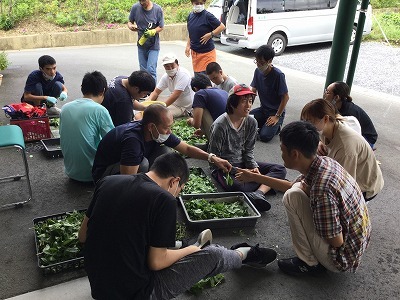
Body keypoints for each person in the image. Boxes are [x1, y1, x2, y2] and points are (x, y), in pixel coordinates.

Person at [79, 152, 277, 299]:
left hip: (98, 286)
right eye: (179, 190)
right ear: (174, 181)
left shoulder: (108, 182)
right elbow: (156, 262)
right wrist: (193, 249)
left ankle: (185, 245)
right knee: (213, 254)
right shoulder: (163, 199)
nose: (177, 194)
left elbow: (83, 236)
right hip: (136, 293)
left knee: (156, 240)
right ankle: (244, 254)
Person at [235, 121, 371, 276]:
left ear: (294, 154)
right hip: (357, 241)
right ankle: (312, 255)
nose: (281, 154)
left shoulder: (322, 190)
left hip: (341, 258)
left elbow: (337, 241)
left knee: (292, 197)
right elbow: (292, 185)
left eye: (282, 149)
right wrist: (253, 176)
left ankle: (309, 264)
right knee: (296, 190)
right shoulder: (324, 162)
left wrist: (318, 219)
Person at [92, 104, 231, 184]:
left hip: (127, 165)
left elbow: (187, 149)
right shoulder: (132, 140)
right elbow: (126, 180)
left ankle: (150, 182)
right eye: (166, 127)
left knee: (165, 152)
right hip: (105, 175)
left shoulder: (157, 132)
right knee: (143, 163)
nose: (169, 131)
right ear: (151, 126)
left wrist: (212, 158)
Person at [208, 84, 287, 212]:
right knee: (237, 187)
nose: (248, 105)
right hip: (224, 168)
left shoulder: (252, 122)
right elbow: (214, 159)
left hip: (243, 162)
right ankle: (269, 184)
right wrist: (242, 172)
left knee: (280, 169)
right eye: (243, 101)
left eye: (250, 101)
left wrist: (253, 167)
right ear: (232, 103)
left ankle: (259, 193)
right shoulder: (220, 125)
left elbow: (248, 151)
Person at [300, 99, 384, 201]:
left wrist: (311, 190)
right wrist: (320, 143)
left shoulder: (345, 147)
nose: (306, 126)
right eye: (304, 121)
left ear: (326, 119)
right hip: (349, 171)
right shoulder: (330, 126)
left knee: (319, 197)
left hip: (365, 187)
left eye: (309, 122)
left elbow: (344, 186)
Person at [59, 71, 114, 183]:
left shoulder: (65, 108)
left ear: (81, 88)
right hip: (92, 176)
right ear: (103, 91)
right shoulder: (100, 110)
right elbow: (112, 140)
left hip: (71, 173)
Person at [250, 45, 289, 143]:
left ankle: (276, 126)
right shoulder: (257, 71)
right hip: (263, 110)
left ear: (269, 61)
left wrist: (277, 116)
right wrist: (247, 108)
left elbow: (285, 97)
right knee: (245, 119)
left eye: (261, 62)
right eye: (256, 61)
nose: (258, 64)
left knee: (264, 136)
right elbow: (253, 90)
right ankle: (266, 124)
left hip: (275, 112)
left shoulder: (278, 75)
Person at [324, 81, 378, 148]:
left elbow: (347, 137)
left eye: (327, 92)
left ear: (336, 97)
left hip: (367, 138)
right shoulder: (338, 106)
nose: (325, 94)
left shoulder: (349, 114)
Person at [185, 0, 226, 74]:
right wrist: (188, 46)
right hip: (195, 53)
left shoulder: (207, 16)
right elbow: (191, 32)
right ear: (192, 3)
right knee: (198, 78)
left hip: (207, 53)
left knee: (207, 76)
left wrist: (211, 34)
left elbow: (222, 26)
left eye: (201, 3)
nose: (199, 5)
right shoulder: (190, 16)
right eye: (197, 3)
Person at [128, 0, 164, 81]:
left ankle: (152, 92)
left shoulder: (157, 9)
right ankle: (144, 92)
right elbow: (130, 22)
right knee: (143, 72)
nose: (141, 3)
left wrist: (153, 31)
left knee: (151, 70)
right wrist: (130, 26)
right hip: (141, 44)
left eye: (143, 0)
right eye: (140, 0)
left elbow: (161, 26)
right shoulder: (135, 8)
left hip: (153, 45)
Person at [148, 53, 194, 118]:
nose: (170, 68)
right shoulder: (166, 76)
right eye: (167, 66)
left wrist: (162, 108)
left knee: (158, 114)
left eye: (172, 65)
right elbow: (156, 92)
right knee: (150, 101)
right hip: (173, 103)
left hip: (183, 107)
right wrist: (148, 102)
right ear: (164, 67)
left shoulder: (183, 74)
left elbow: (176, 95)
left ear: (177, 64)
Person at [187, 73, 228, 140]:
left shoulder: (200, 94)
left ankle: (212, 141)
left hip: (221, 138)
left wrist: (191, 121)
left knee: (198, 108)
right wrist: (203, 131)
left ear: (195, 89)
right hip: (232, 134)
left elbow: (197, 124)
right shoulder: (224, 92)